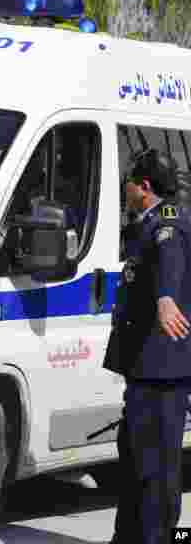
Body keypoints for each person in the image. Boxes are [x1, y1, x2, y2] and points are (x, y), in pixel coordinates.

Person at [103, 147, 191, 544]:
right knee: (135, 461)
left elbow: (168, 257)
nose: (124, 189)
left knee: (157, 469)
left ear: (144, 185)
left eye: (128, 182)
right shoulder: (143, 223)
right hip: (144, 369)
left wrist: (165, 297)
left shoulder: (167, 223)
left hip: (162, 371)